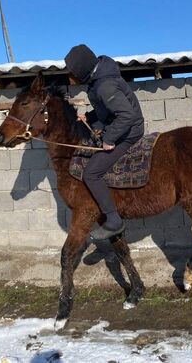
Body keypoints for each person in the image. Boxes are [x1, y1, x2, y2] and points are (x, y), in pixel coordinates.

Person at [65, 44, 144, 240]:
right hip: (120, 126)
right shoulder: (99, 79)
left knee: (91, 172)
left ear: (82, 68)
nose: (72, 76)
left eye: (73, 71)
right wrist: (89, 118)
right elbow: (107, 109)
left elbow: (127, 115)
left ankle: (113, 220)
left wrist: (109, 139)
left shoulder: (104, 85)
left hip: (130, 131)